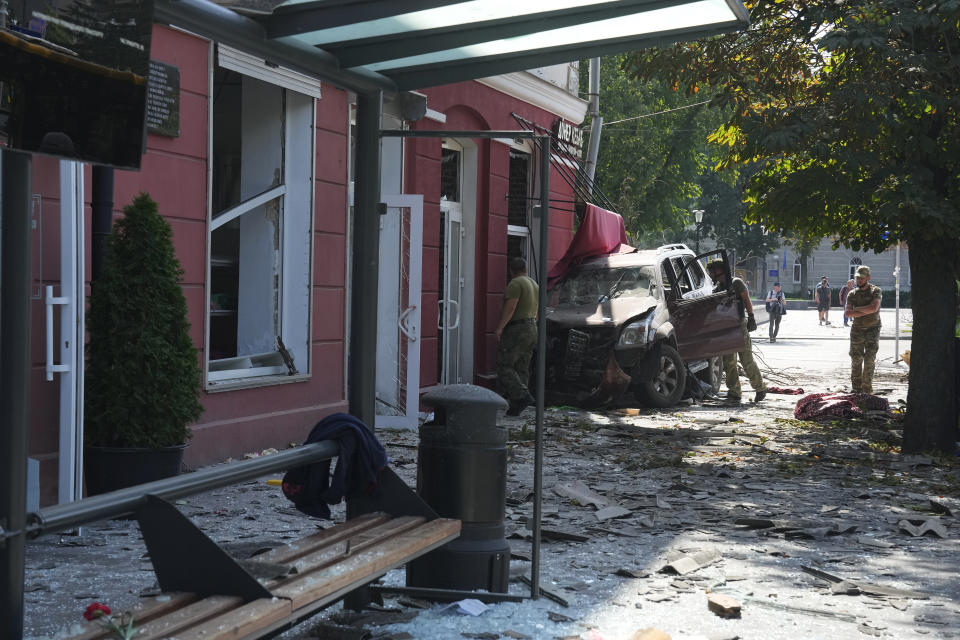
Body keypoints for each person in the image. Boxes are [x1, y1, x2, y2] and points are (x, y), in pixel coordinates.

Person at [706, 260, 767, 403]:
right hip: (726, 329)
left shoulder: (736, 283)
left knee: (747, 360)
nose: (710, 274)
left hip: (739, 326)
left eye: (711, 271)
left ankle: (760, 388)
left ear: (719, 270)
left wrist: (751, 317)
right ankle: (734, 392)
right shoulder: (718, 288)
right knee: (729, 362)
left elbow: (746, 299)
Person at [495, 257, 539, 416]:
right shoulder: (534, 284)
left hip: (517, 329)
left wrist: (500, 327)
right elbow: (538, 311)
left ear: (511, 270)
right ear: (525, 269)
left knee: (504, 365)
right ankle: (516, 405)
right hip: (532, 328)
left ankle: (522, 396)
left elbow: (511, 306)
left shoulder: (515, 284)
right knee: (522, 366)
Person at [844, 265, 882, 394]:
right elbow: (848, 313)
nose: (859, 280)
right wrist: (866, 310)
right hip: (857, 330)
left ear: (868, 278)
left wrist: (856, 311)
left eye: (861, 278)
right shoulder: (852, 294)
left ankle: (866, 389)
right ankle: (856, 389)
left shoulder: (875, 291)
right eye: (857, 278)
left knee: (869, 359)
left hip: (873, 328)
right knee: (856, 359)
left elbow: (874, 308)